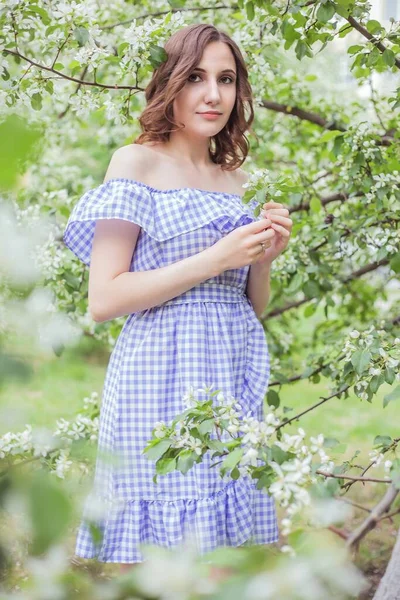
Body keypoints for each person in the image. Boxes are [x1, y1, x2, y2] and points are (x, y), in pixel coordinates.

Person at [63, 23, 292, 578]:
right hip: (159, 378)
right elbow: (105, 298)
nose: (213, 94)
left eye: (226, 79)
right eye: (195, 77)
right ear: (169, 82)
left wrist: (263, 255)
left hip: (229, 376)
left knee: (226, 563)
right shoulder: (135, 164)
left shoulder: (237, 180)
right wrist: (215, 257)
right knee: (161, 568)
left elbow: (250, 306)